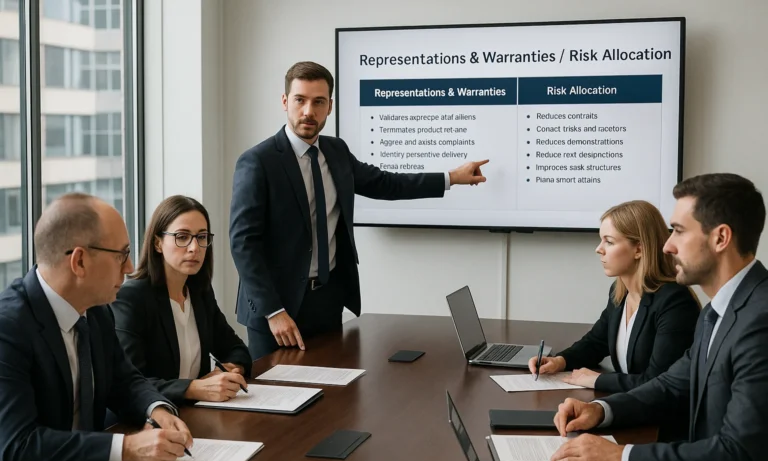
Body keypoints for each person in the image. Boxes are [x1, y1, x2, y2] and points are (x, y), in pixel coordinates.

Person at [230, 61, 489, 359]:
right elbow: (243, 243)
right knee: (275, 397)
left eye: (318, 102)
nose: (308, 111)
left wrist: (451, 178)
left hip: (326, 302)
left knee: (332, 397)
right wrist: (273, 310)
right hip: (277, 310)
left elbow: (386, 184)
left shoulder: (336, 151)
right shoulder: (258, 162)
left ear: (330, 106)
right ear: (285, 101)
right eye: (300, 100)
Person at [549, 174, 768, 461]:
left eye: (678, 231)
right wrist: (601, 410)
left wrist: (620, 457)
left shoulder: (760, 320)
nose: (666, 245)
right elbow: (670, 385)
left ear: (721, 237)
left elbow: (736, 454)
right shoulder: (719, 311)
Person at [0, 193, 193, 461]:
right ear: (79, 262)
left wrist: (159, 409)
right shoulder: (9, 328)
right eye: (121, 255)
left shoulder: (97, 310)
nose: (129, 269)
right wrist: (126, 449)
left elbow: (124, 380)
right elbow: (19, 446)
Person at [528, 200, 700, 393]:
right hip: (631, 407)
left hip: (661, 419)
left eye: (609, 241)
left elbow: (658, 382)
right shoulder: (619, 291)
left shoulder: (674, 302)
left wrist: (599, 380)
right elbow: (596, 343)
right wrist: (560, 361)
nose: (598, 249)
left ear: (639, 249)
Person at [112, 196, 251, 405]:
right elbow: (130, 384)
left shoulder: (199, 292)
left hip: (195, 413)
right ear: (158, 243)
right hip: (147, 422)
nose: (195, 247)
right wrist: (194, 388)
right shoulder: (132, 298)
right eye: (182, 236)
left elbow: (237, 349)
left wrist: (231, 370)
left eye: (202, 237)